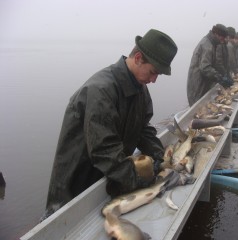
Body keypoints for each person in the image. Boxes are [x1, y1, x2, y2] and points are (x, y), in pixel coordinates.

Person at [43, 29, 178, 218]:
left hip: (108, 176)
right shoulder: (100, 91)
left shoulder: (140, 88)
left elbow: (144, 130)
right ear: (138, 58)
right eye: (153, 72)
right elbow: (104, 150)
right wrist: (137, 180)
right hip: (77, 186)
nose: (154, 80)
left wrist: (160, 158)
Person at [187, 23, 233, 106]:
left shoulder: (212, 43)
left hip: (204, 80)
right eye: (222, 38)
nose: (222, 40)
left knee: (204, 104)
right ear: (216, 34)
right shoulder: (207, 45)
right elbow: (205, 68)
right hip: (197, 81)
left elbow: (214, 64)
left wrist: (223, 75)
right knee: (197, 106)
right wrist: (219, 77)